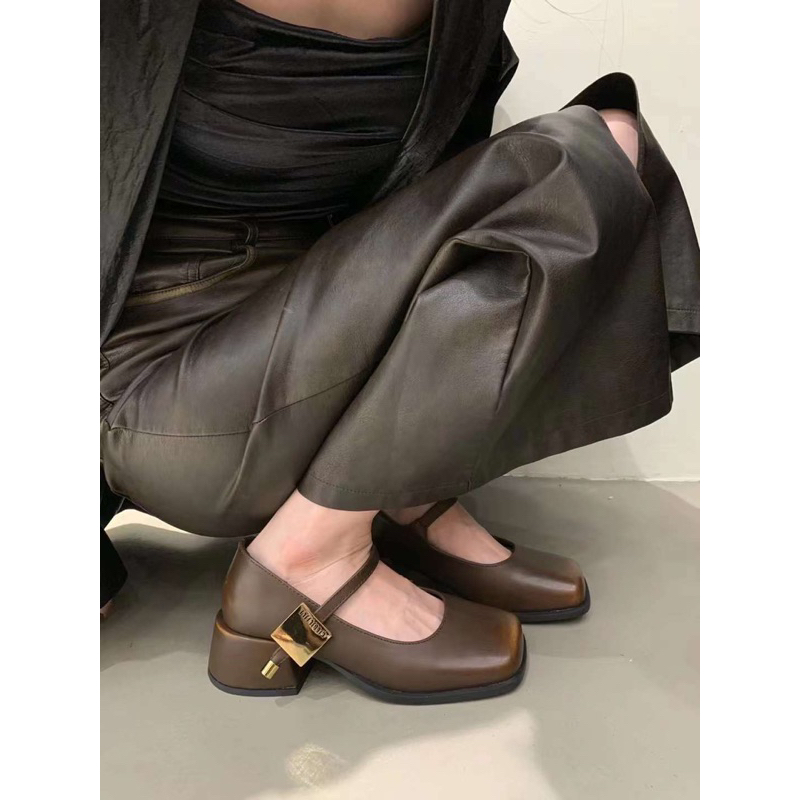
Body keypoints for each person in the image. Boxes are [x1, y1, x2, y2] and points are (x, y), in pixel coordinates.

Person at [100, 0, 699, 704]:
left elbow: (424, 212)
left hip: (307, 347)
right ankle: (304, 560)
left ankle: (395, 496)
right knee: (570, 161)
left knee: (606, 143)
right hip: (174, 396)